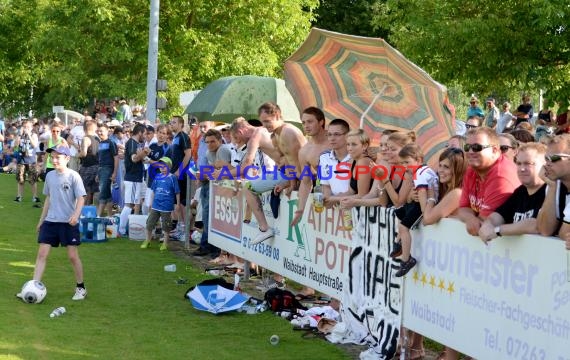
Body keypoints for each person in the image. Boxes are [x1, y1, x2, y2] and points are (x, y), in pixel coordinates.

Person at [416, 147, 468, 360]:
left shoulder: (456, 193)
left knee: (455, 310)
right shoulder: (447, 191)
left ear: (457, 169)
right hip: (446, 260)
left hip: (458, 262)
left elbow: (427, 218)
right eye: (440, 165)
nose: (440, 170)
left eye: (446, 167)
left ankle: (452, 355)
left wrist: (426, 195)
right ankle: (448, 353)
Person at [25, 145, 88, 301]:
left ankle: (81, 287)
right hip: (51, 222)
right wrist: (41, 220)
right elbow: (48, 198)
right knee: (41, 254)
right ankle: (34, 287)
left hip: (68, 223)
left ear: (67, 159)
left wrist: (75, 215)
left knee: (73, 256)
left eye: (57, 157)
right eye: (52, 157)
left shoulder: (74, 176)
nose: (54, 160)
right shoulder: (50, 176)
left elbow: (81, 198)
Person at [245, 102, 306, 245]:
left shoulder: (288, 132)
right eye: (262, 122)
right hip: (292, 177)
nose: (265, 125)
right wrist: (288, 183)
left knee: (247, 187)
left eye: (267, 121)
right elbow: (287, 161)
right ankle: (264, 228)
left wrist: (291, 185)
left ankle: (264, 228)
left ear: (277, 115)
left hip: (305, 179)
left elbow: (298, 163)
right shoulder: (276, 135)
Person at [457, 127, 520, 236]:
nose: (470, 151)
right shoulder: (471, 170)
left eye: (477, 147)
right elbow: (463, 209)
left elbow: (484, 223)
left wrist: (471, 219)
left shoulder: (501, 176)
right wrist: (470, 218)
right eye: (467, 147)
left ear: (494, 150)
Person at [479, 143, 547, 243]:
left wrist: (498, 230)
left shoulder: (551, 191)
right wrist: (488, 224)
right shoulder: (520, 192)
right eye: (519, 163)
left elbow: (537, 225)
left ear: (545, 165)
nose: (522, 169)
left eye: (528, 163)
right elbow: (498, 216)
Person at [391, 144, 438, 278]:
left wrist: (425, 212)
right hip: (426, 202)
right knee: (399, 211)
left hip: (426, 205)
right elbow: (417, 194)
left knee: (403, 227)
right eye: (402, 163)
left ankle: (406, 260)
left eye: (407, 162)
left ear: (418, 160)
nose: (405, 166)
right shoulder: (424, 170)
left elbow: (423, 193)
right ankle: (399, 241)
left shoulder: (420, 174)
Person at [193, 129, 232, 256]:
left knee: (215, 217)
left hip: (223, 188)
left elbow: (221, 172)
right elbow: (211, 172)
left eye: (213, 141)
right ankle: (207, 245)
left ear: (220, 140)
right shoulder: (209, 153)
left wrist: (207, 173)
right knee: (206, 216)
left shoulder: (223, 150)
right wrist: (204, 174)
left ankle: (213, 248)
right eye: (207, 142)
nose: (210, 144)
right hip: (211, 186)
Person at [291, 107, 329, 226]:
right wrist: (300, 209)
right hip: (326, 197)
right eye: (303, 122)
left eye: (310, 121)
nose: (306, 126)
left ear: (321, 122)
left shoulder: (337, 139)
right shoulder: (304, 151)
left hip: (349, 194)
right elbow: (306, 182)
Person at [140, 157, 180, 251]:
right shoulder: (157, 176)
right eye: (161, 166)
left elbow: (177, 192)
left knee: (166, 226)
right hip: (155, 205)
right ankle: (147, 241)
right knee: (149, 223)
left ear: (169, 167)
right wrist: (151, 202)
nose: (162, 168)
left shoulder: (172, 177)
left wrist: (177, 204)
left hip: (166, 206)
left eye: (165, 166)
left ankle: (165, 243)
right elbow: (153, 190)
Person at [537, 134, 570, 236]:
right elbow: (545, 230)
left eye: (554, 158)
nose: (547, 163)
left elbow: (565, 232)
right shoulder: (555, 184)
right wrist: (552, 187)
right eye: (546, 158)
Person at [118, 123, 148, 235]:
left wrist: (144, 156)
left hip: (137, 177)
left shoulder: (134, 143)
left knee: (143, 200)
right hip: (133, 178)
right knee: (129, 204)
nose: (145, 136)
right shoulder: (132, 143)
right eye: (144, 134)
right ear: (139, 133)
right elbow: (134, 159)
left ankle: (144, 227)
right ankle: (121, 230)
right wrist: (144, 153)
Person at [168, 116, 192, 240]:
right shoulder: (175, 138)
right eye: (171, 122)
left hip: (182, 175)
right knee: (176, 203)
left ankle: (185, 231)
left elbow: (188, 154)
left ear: (181, 124)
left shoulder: (183, 136)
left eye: (174, 122)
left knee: (182, 203)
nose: (171, 124)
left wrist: (179, 170)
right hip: (174, 174)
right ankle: (179, 228)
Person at [320, 119, 351, 208]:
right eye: (329, 135)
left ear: (347, 135)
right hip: (335, 209)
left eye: (337, 134)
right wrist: (326, 199)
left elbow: (358, 191)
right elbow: (326, 185)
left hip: (354, 206)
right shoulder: (324, 158)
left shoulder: (356, 158)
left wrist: (335, 199)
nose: (332, 138)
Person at [14, 119, 40, 204]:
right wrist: (19, 135)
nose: (26, 128)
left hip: (31, 160)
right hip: (21, 160)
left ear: (31, 127)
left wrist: (28, 135)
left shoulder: (34, 135)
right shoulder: (20, 135)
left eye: (28, 127)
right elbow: (16, 146)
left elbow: (34, 145)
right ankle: (19, 196)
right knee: (20, 179)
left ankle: (35, 197)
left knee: (33, 180)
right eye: (24, 127)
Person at [96, 123, 119, 217]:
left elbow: (116, 158)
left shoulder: (111, 142)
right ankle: (110, 217)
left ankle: (98, 216)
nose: (100, 132)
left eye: (102, 131)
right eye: (99, 131)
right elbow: (100, 160)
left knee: (102, 192)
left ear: (108, 132)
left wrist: (114, 173)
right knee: (107, 194)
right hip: (101, 170)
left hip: (108, 169)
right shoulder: (100, 143)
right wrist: (98, 173)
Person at [78, 120, 100, 205]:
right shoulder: (98, 138)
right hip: (97, 166)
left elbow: (84, 153)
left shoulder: (86, 138)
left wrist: (77, 155)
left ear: (84, 128)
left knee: (84, 190)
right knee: (95, 190)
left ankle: (82, 209)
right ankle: (94, 210)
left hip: (87, 167)